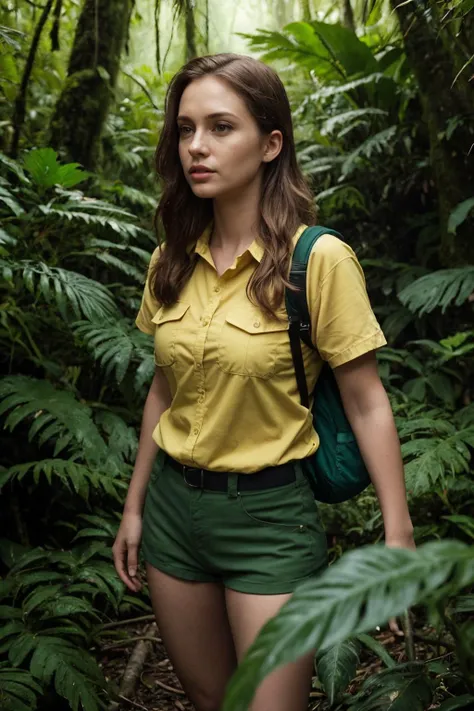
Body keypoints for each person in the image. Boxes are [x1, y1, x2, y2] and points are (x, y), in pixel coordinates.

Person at [112, 53, 415, 711]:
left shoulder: (318, 261)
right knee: (207, 696)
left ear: (271, 142)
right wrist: (135, 506)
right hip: (173, 511)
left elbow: (366, 402)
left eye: (221, 127)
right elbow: (163, 392)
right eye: (186, 128)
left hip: (270, 519)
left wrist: (398, 533)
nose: (197, 146)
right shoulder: (169, 260)